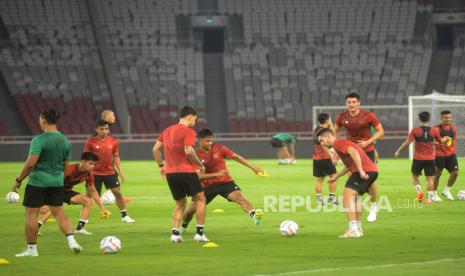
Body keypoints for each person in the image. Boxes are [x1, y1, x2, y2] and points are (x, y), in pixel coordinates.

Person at [12, 109, 82, 257]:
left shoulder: (39, 140)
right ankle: (72, 241)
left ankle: (32, 250)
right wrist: (58, 178)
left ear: (43, 120)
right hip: (57, 182)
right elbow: (66, 165)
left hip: (38, 182)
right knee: (59, 212)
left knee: (31, 215)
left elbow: (30, 164)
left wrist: (18, 180)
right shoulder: (65, 141)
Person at [180, 129, 265, 233]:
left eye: (211, 140)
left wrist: (252, 167)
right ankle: (183, 227)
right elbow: (198, 176)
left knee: (240, 198)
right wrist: (217, 174)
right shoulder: (195, 155)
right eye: (207, 141)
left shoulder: (220, 148)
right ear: (200, 140)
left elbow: (236, 157)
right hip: (207, 187)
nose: (210, 143)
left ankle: (254, 214)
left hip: (225, 182)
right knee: (190, 211)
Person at [152, 106, 209, 243]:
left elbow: (155, 150)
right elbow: (189, 151)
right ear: (190, 117)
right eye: (195, 118)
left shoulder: (166, 131)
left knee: (180, 203)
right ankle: (199, 233)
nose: (195, 121)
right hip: (186, 171)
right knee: (201, 199)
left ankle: (175, 234)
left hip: (170, 173)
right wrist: (200, 165)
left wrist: (161, 166)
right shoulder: (189, 131)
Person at [316, 128, 378, 238]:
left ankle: (353, 230)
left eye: (322, 140)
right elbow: (348, 165)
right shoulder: (340, 145)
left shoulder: (338, 143)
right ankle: (358, 229)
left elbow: (353, 152)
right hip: (371, 171)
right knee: (355, 199)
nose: (321, 144)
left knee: (347, 198)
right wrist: (336, 176)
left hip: (363, 171)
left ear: (328, 137)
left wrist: (360, 170)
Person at [335, 92, 384, 222]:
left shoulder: (369, 116)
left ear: (359, 103)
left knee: (369, 181)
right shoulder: (341, 117)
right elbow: (335, 131)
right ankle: (357, 214)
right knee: (351, 180)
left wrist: (368, 142)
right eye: (349, 102)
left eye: (354, 102)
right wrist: (337, 146)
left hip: (366, 151)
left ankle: (373, 206)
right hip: (350, 151)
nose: (351, 104)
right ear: (346, 103)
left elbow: (381, 131)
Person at [37, 152, 111, 235]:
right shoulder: (69, 170)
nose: (92, 166)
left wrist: (102, 208)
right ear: (83, 161)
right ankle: (35, 228)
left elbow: (93, 191)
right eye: (90, 164)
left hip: (66, 191)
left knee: (88, 201)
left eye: (94, 164)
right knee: (53, 207)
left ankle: (80, 228)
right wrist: (45, 201)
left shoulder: (88, 174)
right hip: (54, 189)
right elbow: (51, 182)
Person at [83, 120, 134, 223]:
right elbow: (85, 158)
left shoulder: (113, 141)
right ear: (96, 129)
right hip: (94, 174)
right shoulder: (90, 142)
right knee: (88, 197)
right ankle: (83, 220)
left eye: (106, 129)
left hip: (109, 172)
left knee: (117, 193)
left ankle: (124, 216)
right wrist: (84, 172)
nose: (104, 131)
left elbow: (116, 157)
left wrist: (121, 172)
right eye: (101, 129)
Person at [394, 112, 446, 204]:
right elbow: (441, 142)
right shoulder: (434, 130)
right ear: (429, 119)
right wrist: (445, 140)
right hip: (430, 159)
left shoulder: (415, 130)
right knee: (430, 179)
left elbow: (407, 143)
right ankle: (429, 199)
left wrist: (398, 151)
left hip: (418, 158)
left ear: (419, 119)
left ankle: (419, 192)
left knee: (415, 176)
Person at [313, 113, 338, 206]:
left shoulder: (316, 129)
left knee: (319, 180)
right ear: (327, 120)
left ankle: (319, 201)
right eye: (330, 119)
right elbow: (324, 145)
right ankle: (331, 199)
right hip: (325, 157)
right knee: (333, 177)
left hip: (316, 157)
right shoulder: (325, 131)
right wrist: (332, 157)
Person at [433, 110, 458, 200]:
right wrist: (441, 142)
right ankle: (434, 194)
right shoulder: (436, 129)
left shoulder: (454, 128)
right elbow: (431, 142)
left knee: (455, 173)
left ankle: (446, 191)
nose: (448, 119)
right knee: (437, 174)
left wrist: (449, 141)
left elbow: (453, 140)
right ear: (441, 118)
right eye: (446, 117)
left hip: (451, 154)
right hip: (439, 155)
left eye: (449, 117)